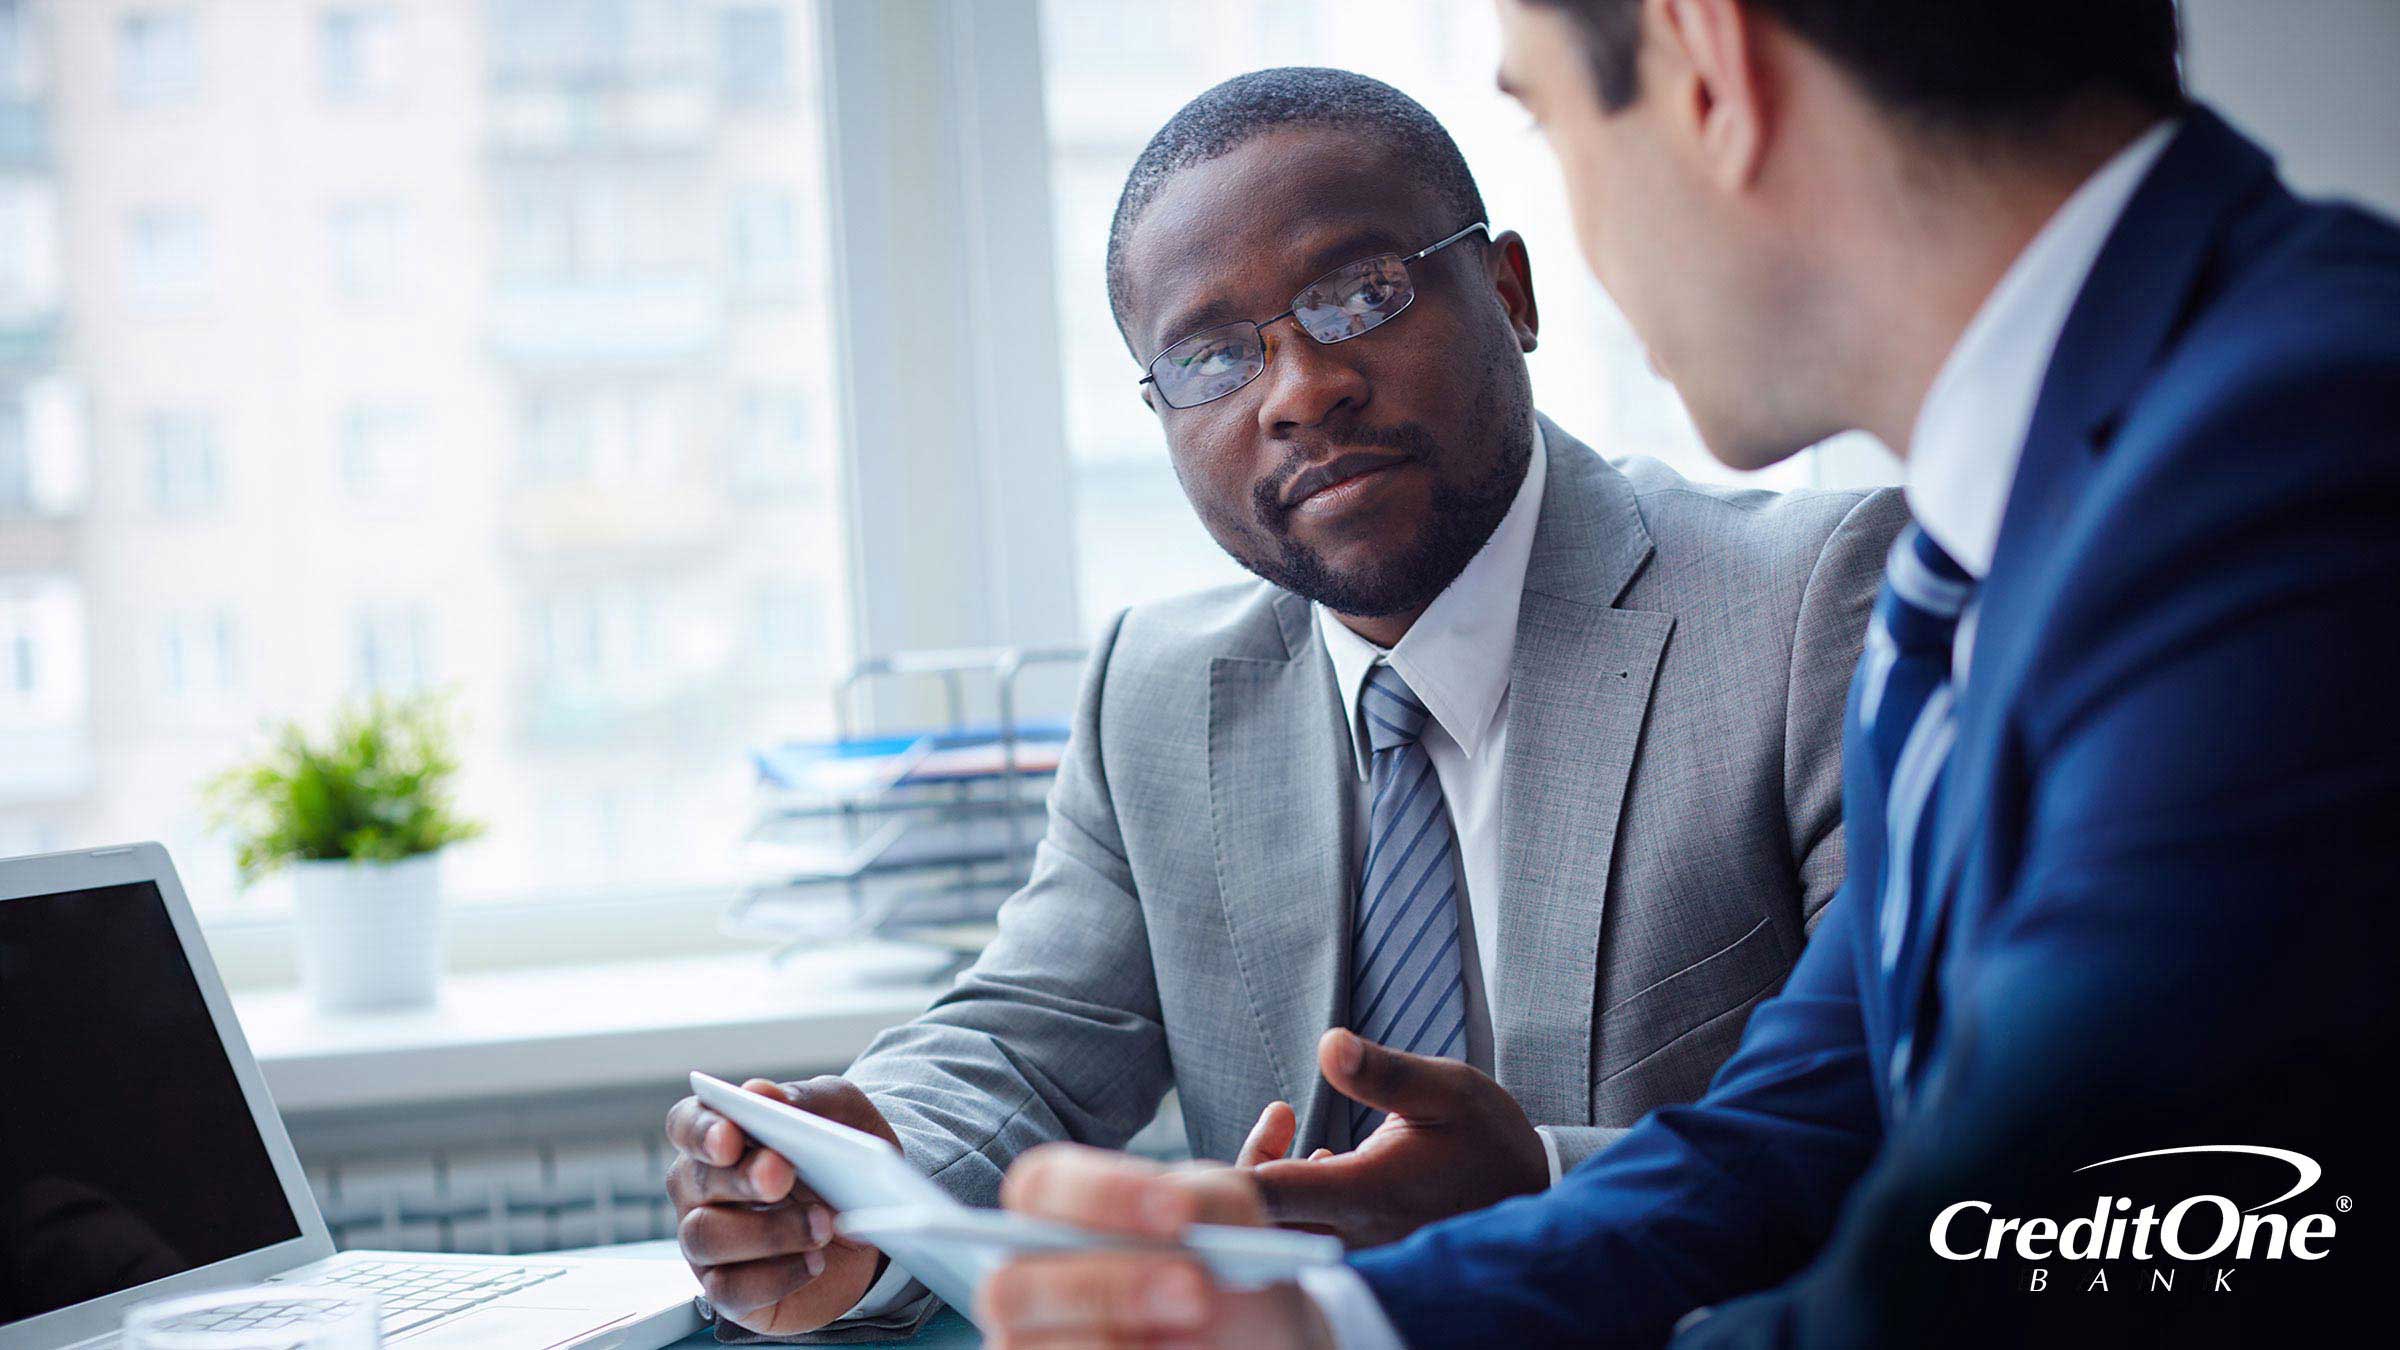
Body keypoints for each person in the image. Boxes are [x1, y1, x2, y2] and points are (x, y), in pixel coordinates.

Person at [980, 1, 2400, 1345]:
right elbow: (1800, 1133)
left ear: (1707, 66)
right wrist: (1338, 1322)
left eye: (1546, 122)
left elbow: (2035, 1250)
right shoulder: (1990, 540)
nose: (1301, 387)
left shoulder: (2298, 456)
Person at [664, 69, 1904, 1340]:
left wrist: (1537, 1184)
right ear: (1158, 415)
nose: (1301, 390)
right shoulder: (1155, 690)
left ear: (1511, 294)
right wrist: (856, 1178)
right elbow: (1026, 1037)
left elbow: (1914, 1121)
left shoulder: (1809, 605)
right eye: (1209, 356)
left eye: (1361, 294)